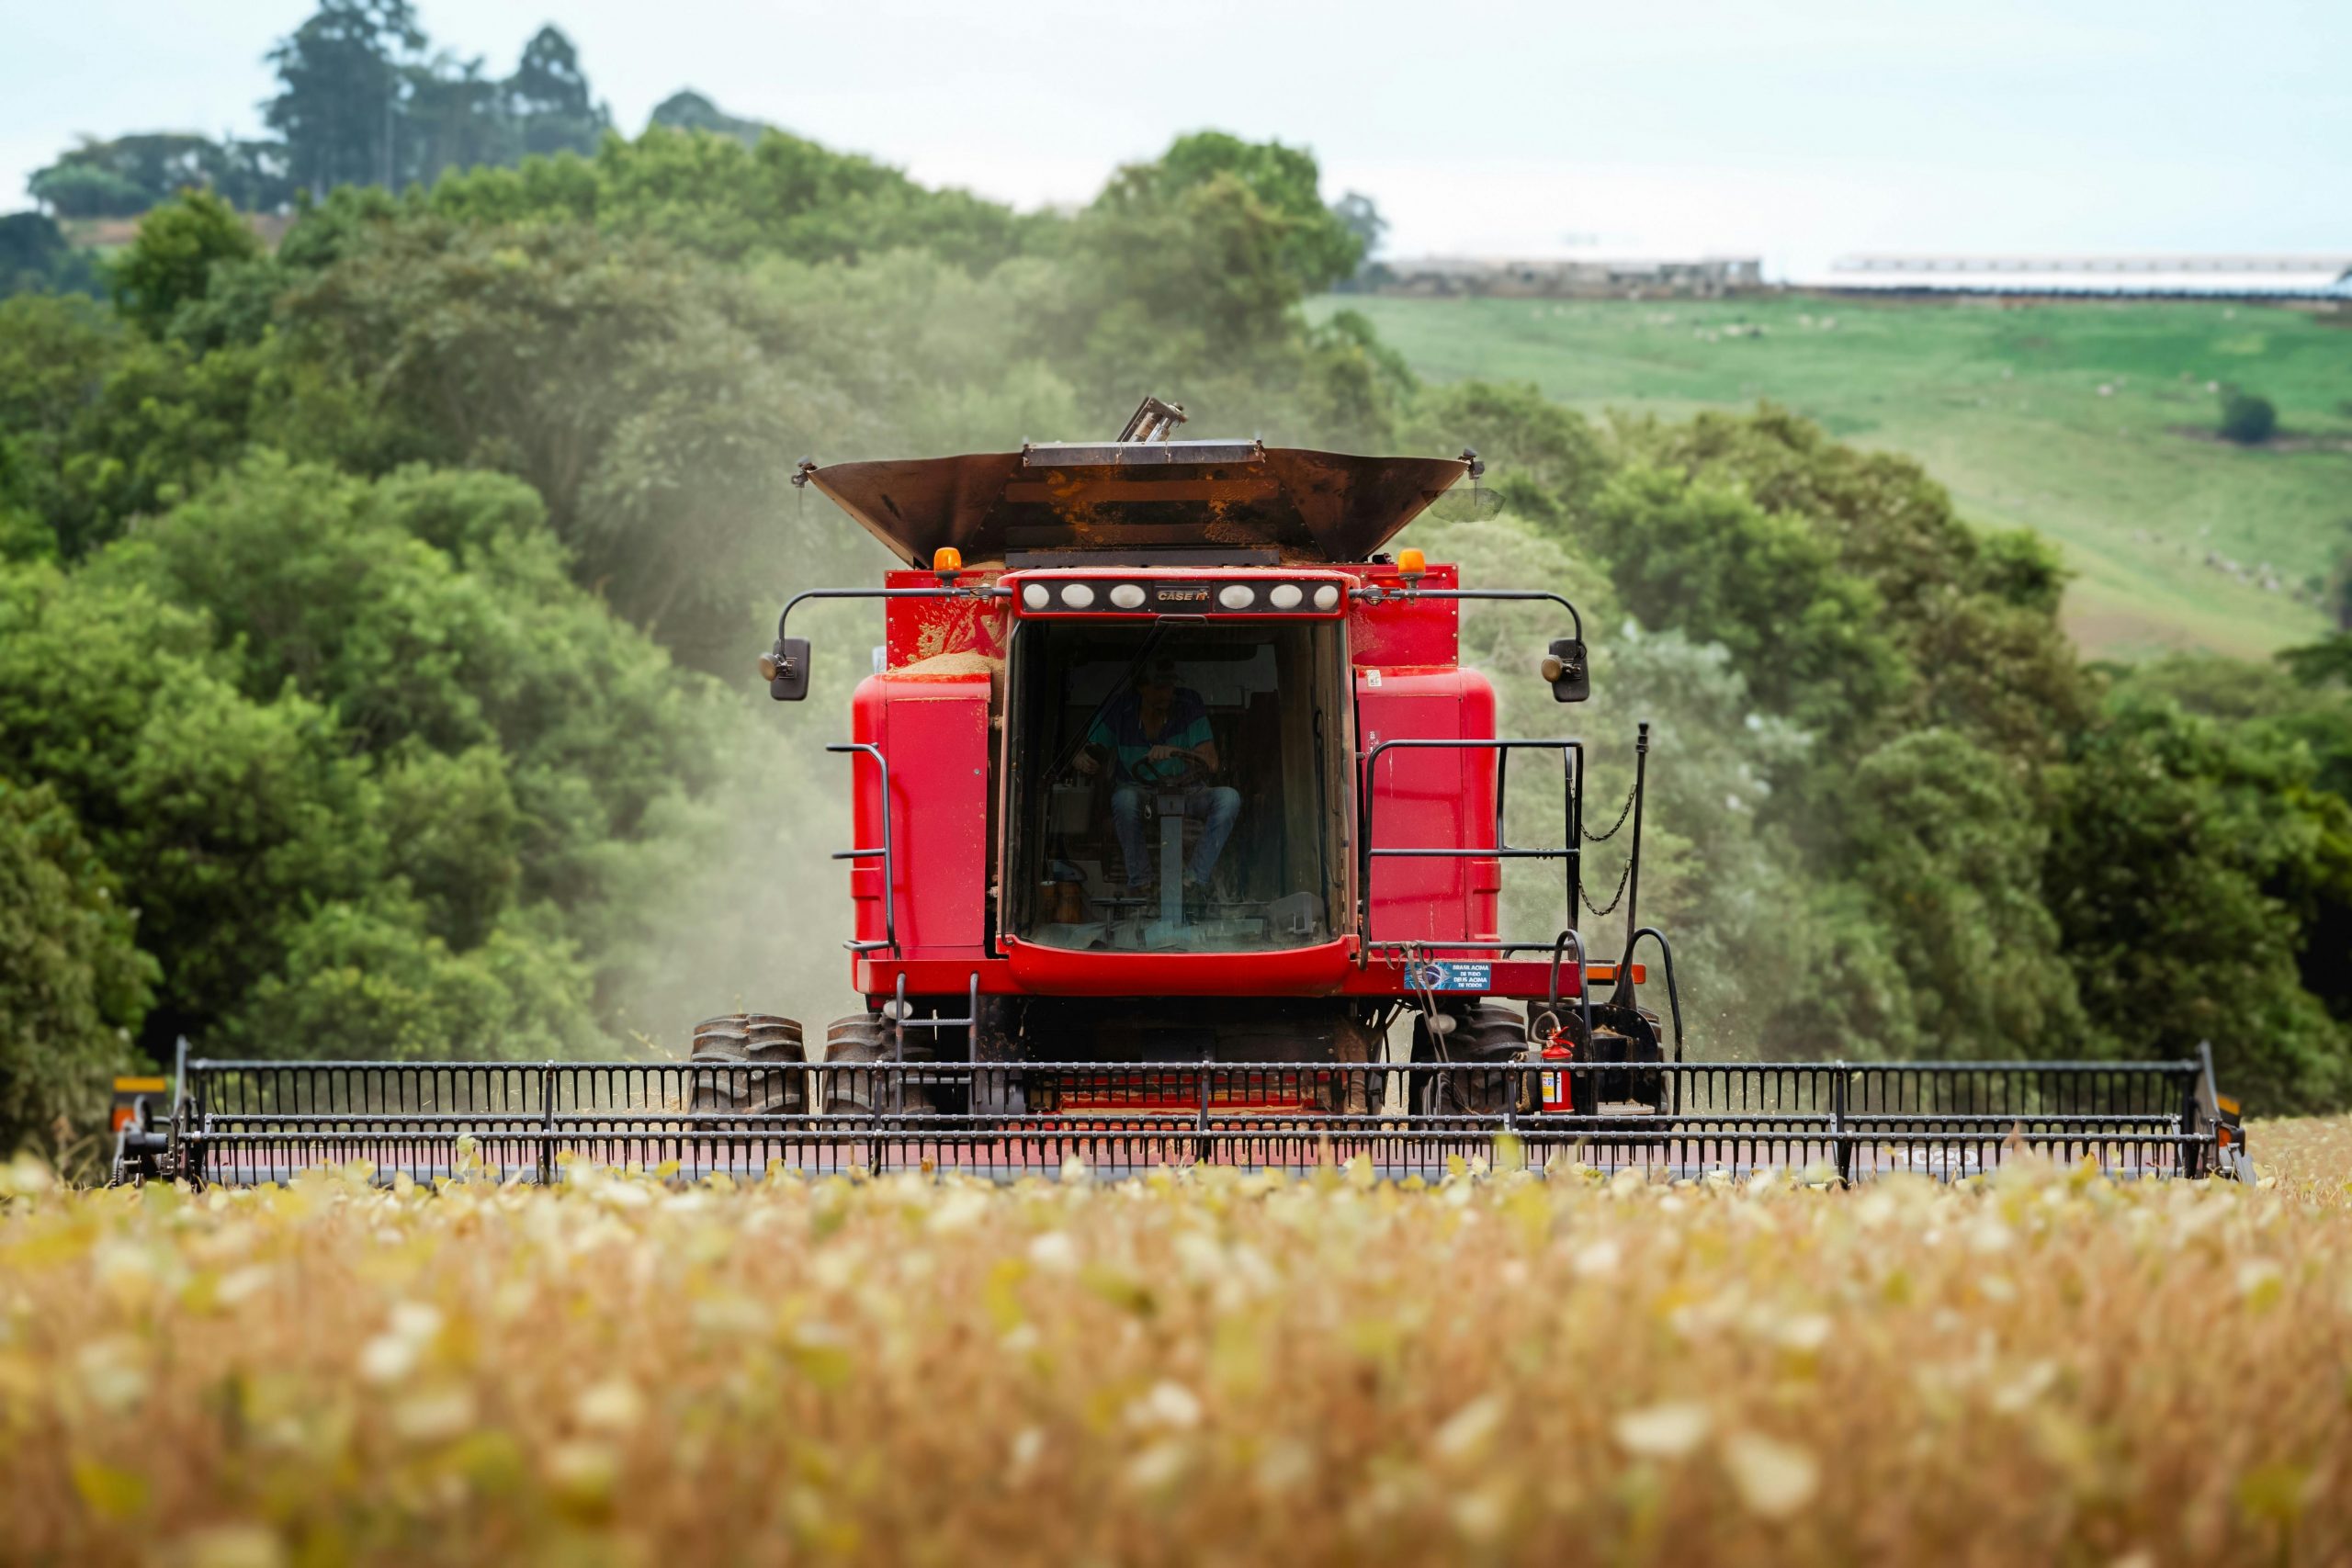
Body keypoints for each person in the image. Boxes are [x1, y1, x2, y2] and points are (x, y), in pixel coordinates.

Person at [1073, 658, 1239, 894]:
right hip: (1140, 793)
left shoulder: (1189, 704)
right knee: (1123, 800)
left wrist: (1176, 752)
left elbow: (1211, 762)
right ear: (1141, 687)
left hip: (1188, 793)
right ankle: (1141, 884)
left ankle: (1194, 881)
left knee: (1229, 798)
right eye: (1159, 687)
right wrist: (1079, 757)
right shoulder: (1120, 709)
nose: (1167, 693)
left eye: (1170, 686)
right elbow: (1087, 749)